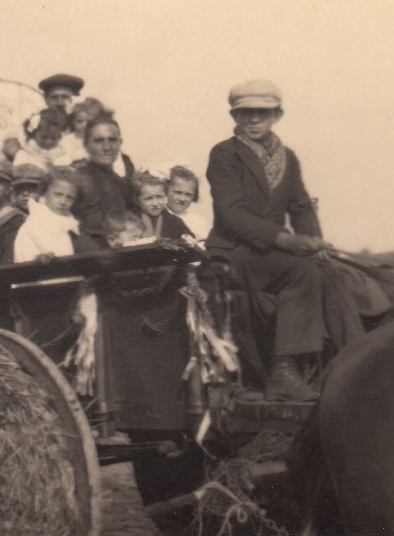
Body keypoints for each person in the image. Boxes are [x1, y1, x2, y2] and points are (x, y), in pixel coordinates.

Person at [207, 78, 375, 402]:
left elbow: (300, 206)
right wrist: (286, 241)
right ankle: (283, 371)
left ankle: (354, 360)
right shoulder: (224, 154)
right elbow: (232, 214)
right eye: (246, 114)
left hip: (271, 252)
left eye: (263, 113)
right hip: (235, 252)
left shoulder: (289, 157)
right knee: (303, 271)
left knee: (331, 273)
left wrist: (314, 242)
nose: (254, 120)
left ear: (277, 115)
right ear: (234, 117)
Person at [72, 117, 137, 245]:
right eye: (99, 141)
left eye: (112, 140)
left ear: (120, 143)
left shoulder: (123, 184)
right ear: (86, 145)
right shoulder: (77, 181)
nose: (107, 147)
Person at [14, 167, 82, 263]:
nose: (63, 202)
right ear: (44, 193)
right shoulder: (35, 223)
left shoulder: (70, 222)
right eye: (58, 195)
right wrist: (38, 258)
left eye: (70, 197)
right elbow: (24, 259)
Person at [130, 172, 193, 240]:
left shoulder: (174, 222)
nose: (155, 203)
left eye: (159, 197)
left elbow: (189, 240)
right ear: (136, 200)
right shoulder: (128, 220)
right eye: (148, 198)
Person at [165, 165, 211, 240]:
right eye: (178, 192)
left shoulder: (198, 222)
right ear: (165, 190)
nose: (182, 199)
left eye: (188, 194)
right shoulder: (160, 216)